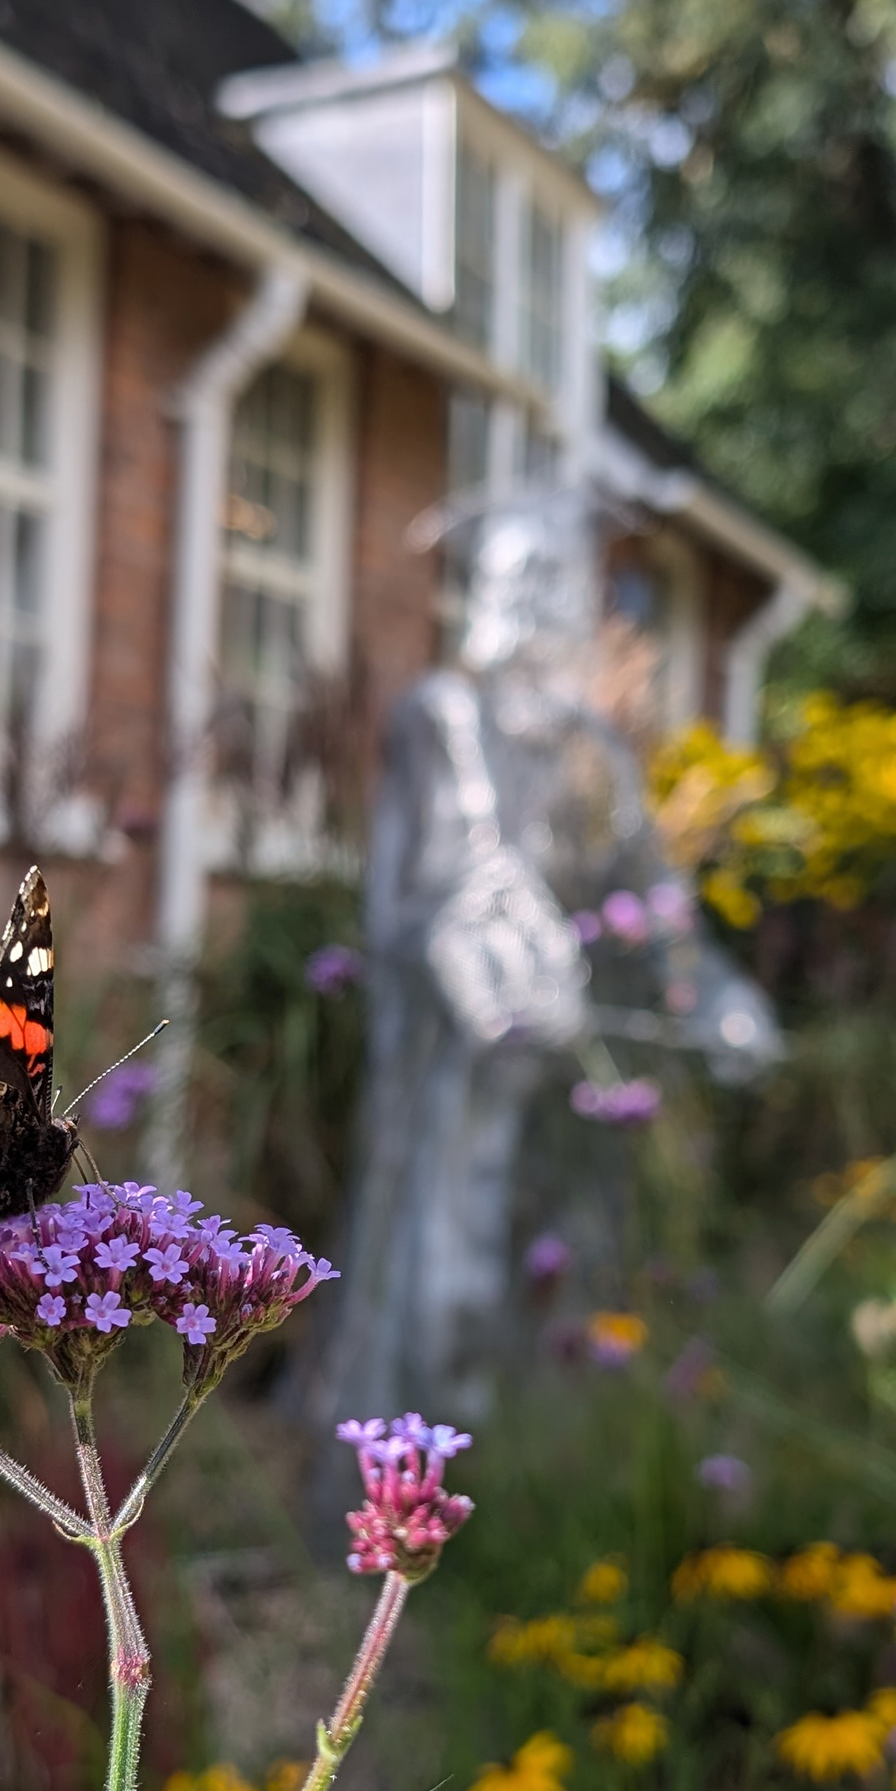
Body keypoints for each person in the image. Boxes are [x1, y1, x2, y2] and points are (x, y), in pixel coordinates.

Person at [312, 490, 778, 1423]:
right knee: (443, 1286)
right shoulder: (439, 719)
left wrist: (717, 998)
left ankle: (523, 1480)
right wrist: (466, 955)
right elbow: (394, 908)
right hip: (454, 1070)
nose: (539, 598)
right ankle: (409, 1465)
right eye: (522, 574)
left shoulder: (593, 748)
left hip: (566, 1078)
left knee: (562, 1293)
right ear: (485, 587)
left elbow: (654, 903)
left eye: (560, 578)